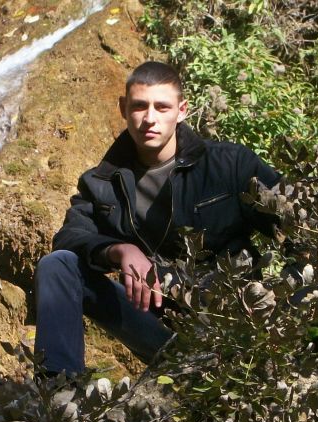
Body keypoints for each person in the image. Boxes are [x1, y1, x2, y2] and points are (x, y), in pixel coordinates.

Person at [34, 61, 281, 376]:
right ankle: (58, 391)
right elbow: (68, 238)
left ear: (182, 111)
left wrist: (285, 312)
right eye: (140, 106)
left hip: (232, 331)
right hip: (161, 335)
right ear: (123, 109)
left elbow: (300, 225)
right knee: (58, 265)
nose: (149, 118)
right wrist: (118, 250)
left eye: (162, 107)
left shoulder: (230, 165)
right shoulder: (101, 182)